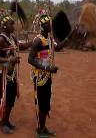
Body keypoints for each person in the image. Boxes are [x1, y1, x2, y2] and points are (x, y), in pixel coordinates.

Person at [28, 9, 71, 137]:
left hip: (48, 76)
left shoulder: (50, 39)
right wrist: (47, 68)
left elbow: (57, 48)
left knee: (46, 102)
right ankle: (40, 130)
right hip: (40, 76)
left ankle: (43, 127)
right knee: (42, 103)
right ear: (43, 25)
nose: (50, 26)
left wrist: (70, 37)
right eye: (48, 24)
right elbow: (30, 59)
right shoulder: (38, 40)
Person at [0, 9, 32, 134]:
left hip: (11, 71)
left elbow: (20, 46)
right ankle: (2, 123)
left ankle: (7, 120)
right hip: (2, 72)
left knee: (11, 96)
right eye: (11, 23)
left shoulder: (12, 37)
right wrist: (9, 60)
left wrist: (32, 42)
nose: (13, 25)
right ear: (4, 26)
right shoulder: (0, 39)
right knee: (6, 97)